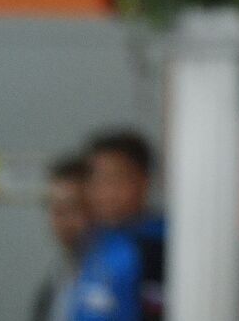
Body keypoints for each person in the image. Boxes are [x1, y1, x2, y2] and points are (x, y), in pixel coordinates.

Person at [70, 130, 166, 321]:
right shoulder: (95, 239)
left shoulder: (157, 246)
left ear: (144, 180)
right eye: (95, 179)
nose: (103, 191)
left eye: (115, 179)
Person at [31, 155, 91, 321]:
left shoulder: (114, 270)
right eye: (54, 207)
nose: (60, 218)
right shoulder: (59, 273)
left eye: (71, 207)